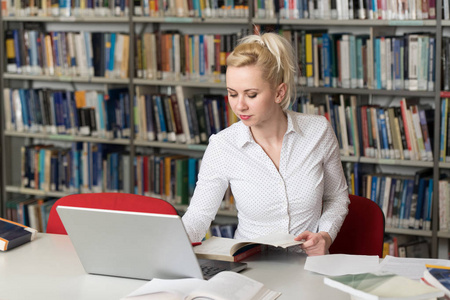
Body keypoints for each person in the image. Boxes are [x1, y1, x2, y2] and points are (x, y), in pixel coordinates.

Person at [182, 32, 349, 256]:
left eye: (251, 95)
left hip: (309, 267)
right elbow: (198, 217)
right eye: (232, 94)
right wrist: (167, 248)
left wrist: (326, 235)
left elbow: (336, 197)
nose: (239, 106)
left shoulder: (318, 131)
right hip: (250, 268)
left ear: (279, 93)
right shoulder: (223, 145)